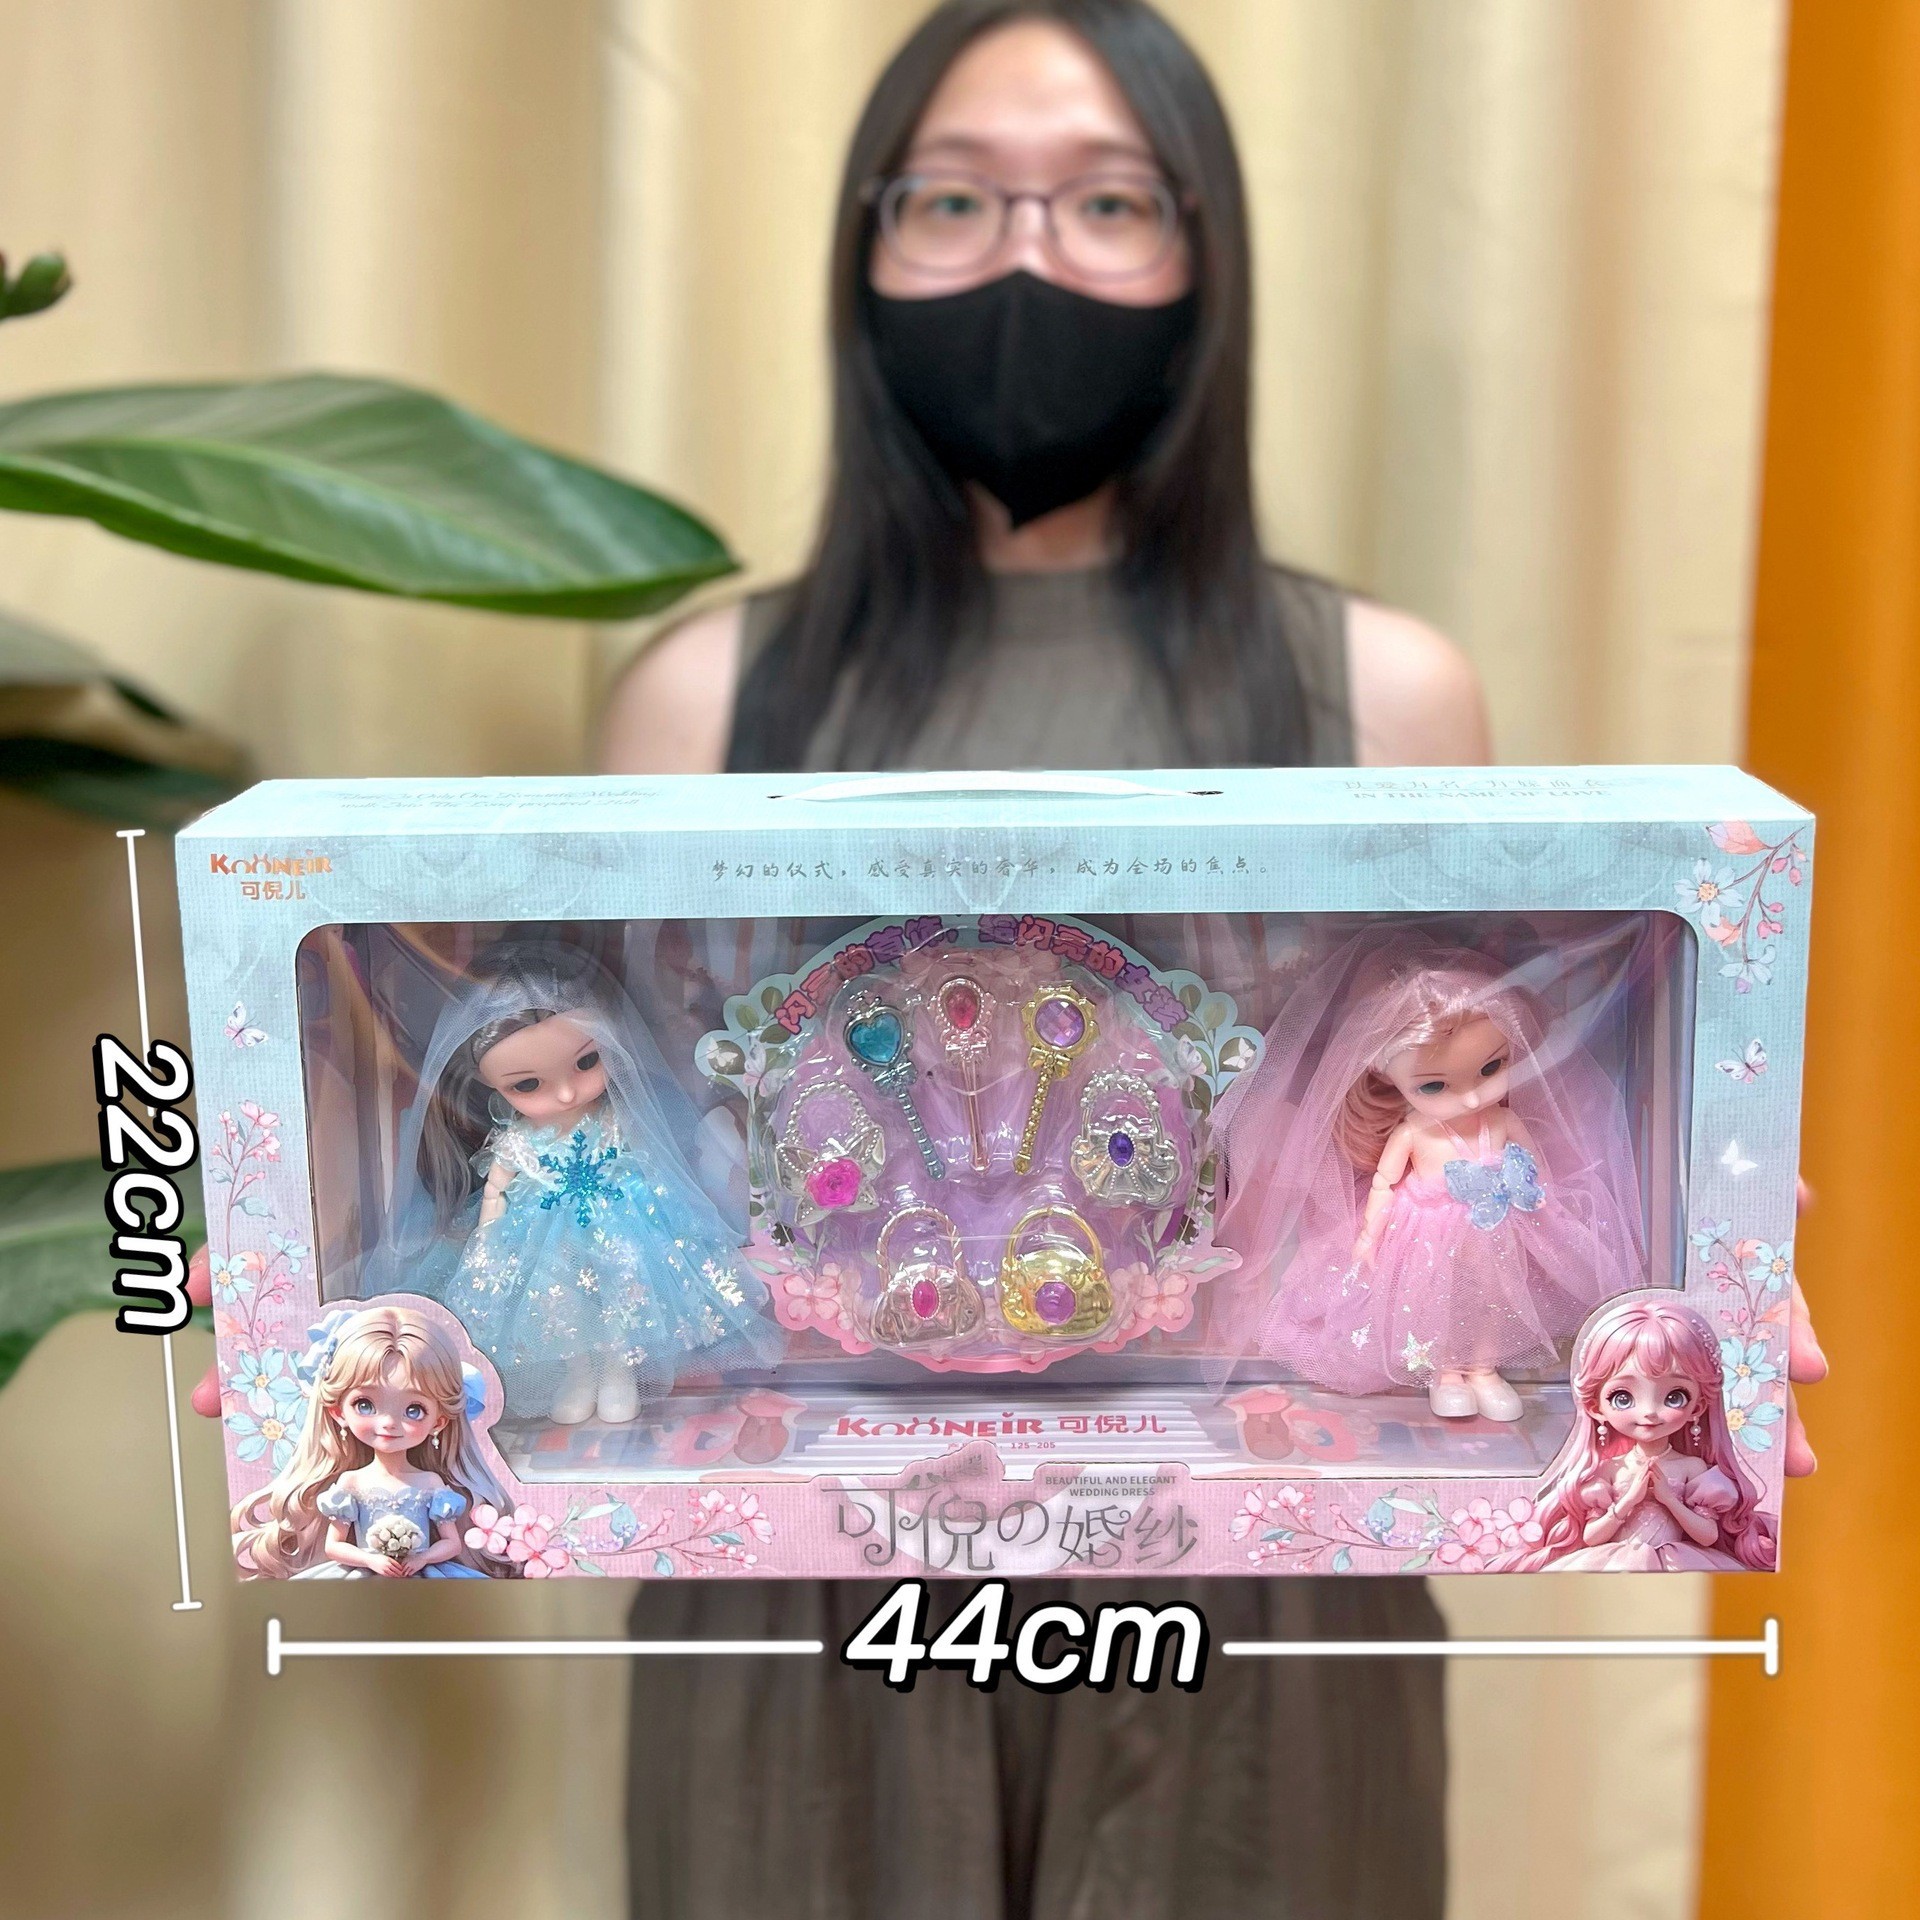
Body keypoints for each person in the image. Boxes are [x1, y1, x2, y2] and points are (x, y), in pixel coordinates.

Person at [184, 1, 1824, 1911]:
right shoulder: (703, 695)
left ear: (1205, 259)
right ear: (865, 254)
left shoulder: (1385, 690)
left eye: (1107, 202)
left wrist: (1688, 1225)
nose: (1026, 260)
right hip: (798, 1605)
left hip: (1267, 1605)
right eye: (954, 200)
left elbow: (1493, 1057)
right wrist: (325, 1252)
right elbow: (571, 1082)